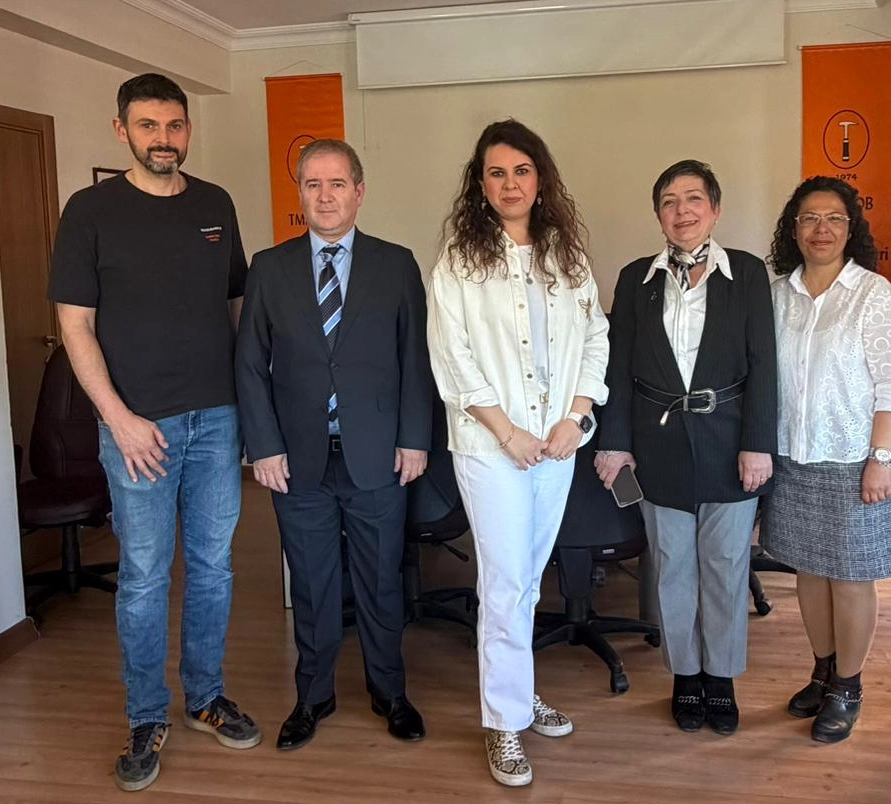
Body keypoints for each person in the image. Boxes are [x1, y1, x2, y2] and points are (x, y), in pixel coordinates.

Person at [49, 73, 260, 792]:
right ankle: (146, 716)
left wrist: (250, 402)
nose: (163, 139)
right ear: (122, 130)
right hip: (137, 426)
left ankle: (205, 697)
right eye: (148, 126)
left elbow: (236, 306)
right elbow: (75, 326)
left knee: (213, 568)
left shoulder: (215, 204)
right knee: (143, 575)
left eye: (174, 125)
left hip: (218, 418)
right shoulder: (89, 211)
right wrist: (119, 418)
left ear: (187, 129)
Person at [427, 119, 609, 787]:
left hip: (556, 445)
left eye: (522, 171)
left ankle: (518, 691)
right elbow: (453, 359)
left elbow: (596, 338)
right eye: (497, 173)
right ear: (480, 184)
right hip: (491, 447)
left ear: (540, 179)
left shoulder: (567, 256)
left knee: (530, 581)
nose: (510, 184)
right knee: (505, 583)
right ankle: (503, 722)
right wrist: (509, 433)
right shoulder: (459, 262)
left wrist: (576, 417)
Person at [235, 139, 432, 751]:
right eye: (313, 184)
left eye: (337, 183)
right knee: (312, 585)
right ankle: (313, 696)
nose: (325, 196)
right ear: (300, 193)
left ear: (359, 192)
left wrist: (415, 438)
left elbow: (415, 359)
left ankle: (390, 692)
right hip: (297, 462)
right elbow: (249, 364)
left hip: (378, 454)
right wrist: (263, 446)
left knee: (380, 582)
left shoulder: (396, 264)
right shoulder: (269, 268)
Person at [595, 159, 777, 737]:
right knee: (672, 566)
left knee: (725, 566)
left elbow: (764, 364)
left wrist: (758, 444)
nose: (682, 211)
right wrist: (615, 444)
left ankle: (721, 677)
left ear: (715, 210)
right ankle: (686, 675)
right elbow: (619, 368)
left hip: (730, 440)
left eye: (694, 198)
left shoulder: (746, 273)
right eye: (669, 202)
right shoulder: (635, 278)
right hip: (658, 444)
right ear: (658, 215)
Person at [759, 176, 891, 745]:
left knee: (850, 577)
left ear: (852, 229)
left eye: (833, 218)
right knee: (808, 569)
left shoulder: (873, 294)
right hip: (794, 455)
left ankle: (848, 686)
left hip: (854, 457)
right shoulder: (776, 295)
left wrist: (881, 458)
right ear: (793, 229)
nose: (820, 229)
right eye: (809, 218)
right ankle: (822, 671)